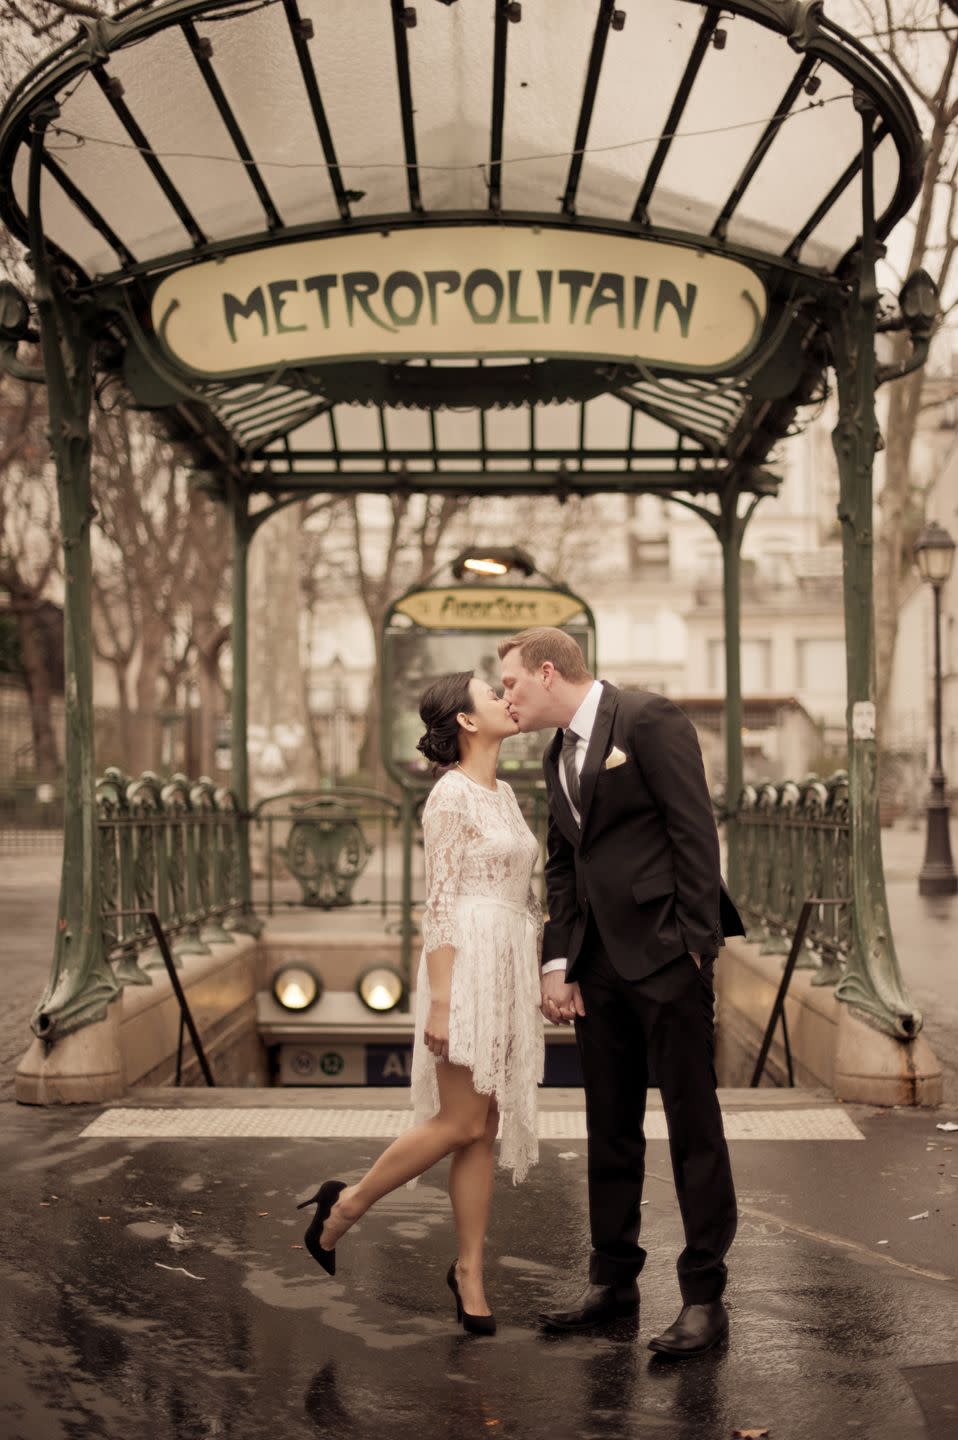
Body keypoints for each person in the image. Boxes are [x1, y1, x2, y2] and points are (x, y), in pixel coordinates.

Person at [499, 627, 744, 1357]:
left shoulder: (648, 719)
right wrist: (558, 962)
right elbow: (566, 868)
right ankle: (613, 1283)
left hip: (668, 956)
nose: (506, 696)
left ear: (548, 672)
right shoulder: (553, 754)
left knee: (693, 1128)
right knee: (609, 1126)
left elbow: (694, 832)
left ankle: (704, 1298)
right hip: (598, 968)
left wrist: (698, 947)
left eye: (510, 682)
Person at [298, 671, 544, 1335]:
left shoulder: (506, 794)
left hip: (506, 968)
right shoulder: (450, 797)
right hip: (462, 966)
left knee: (482, 1126)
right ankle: (345, 1206)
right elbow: (436, 904)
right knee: (460, 1121)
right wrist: (439, 1002)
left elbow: (523, 892)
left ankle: (469, 1271)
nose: (505, 698)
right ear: (466, 720)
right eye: (492, 694)